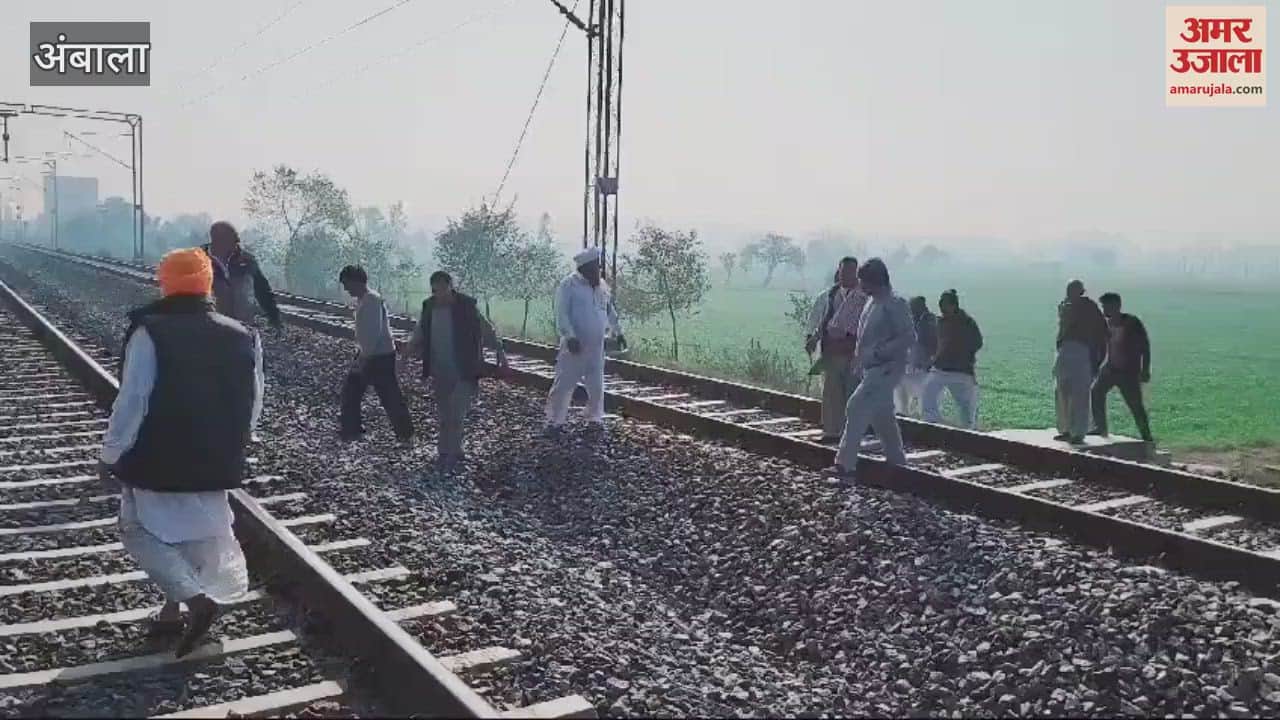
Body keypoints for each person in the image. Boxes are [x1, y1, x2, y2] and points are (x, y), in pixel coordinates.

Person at [98, 248, 262, 658]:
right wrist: (235, 444)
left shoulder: (150, 331)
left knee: (137, 528)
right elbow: (255, 401)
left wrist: (110, 454)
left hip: (160, 457)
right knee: (200, 534)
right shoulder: (244, 335)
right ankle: (172, 612)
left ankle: (194, 600)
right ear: (207, 283)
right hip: (216, 458)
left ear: (165, 283)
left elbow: (133, 400)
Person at [405, 271, 509, 472]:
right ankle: (447, 450)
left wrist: (500, 352)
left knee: (457, 412)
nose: (439, 294)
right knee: (444, 413)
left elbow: (486, 329)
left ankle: (451, 452)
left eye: (442, 289)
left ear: (450, 286)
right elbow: (419, 331)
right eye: (435, 290)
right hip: (439, 369)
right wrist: (408, 351)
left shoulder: (467, 307)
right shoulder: (429, 307)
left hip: (464, 369)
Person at [831, 258, 914, 481]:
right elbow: (864, 337)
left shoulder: (895, 304)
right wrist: (860, 361)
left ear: (875, 281)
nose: (861, 286)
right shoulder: (871, 303)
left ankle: (845, 465)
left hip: (887, 367)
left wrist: (879, 352)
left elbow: (908, 337)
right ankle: (898, 462)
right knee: (882, 415)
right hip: (871, 368)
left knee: (856, 406)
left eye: (864, 281)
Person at [545, 248, 626, 434]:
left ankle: (595, 418)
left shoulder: (601, 286)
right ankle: (555, 420)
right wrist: (570, 336)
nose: (599, 270)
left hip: (596, 347)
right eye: (596, 267)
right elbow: (562, 314)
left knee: (596, 384)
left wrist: (618, 332)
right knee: (564, 383)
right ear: (585, 268)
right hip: (575, 346)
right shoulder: (568, 285)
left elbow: (609, 311)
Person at [338, 265, 413, 444]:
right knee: (353, 390)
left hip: (378, 356)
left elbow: (373, 333)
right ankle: (352, 428)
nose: (346, 289)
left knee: (388, 395)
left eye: (347, 284)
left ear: (356, 282)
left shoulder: (371, 300)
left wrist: (364, 358)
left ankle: (405, 433)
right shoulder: (365, 300)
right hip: (370, 354)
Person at [804, 257, 866, 442]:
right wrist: (814, 338)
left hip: (855, 353)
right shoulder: (830, 295)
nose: (846, 275)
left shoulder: (864, 296)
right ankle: (831, 432)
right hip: (832, 351)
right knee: (831, 393)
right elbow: (822, 320)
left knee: (852, 394)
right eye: (843, 271)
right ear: (838, 272)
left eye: (851, 271)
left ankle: (850, 433)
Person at [1090, 292, 1154, 442]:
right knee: (1096, 391)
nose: (1104, 309)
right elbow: (1104, 347)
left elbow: (1145, 347)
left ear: (1116, 306)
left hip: (1128, 372)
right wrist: (1098, 364)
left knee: (1135, 405)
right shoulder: (1107, 324)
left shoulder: (1132, 323)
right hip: (1111, 368)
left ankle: (1147, 437)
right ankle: (1101, 428)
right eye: (1102, 306)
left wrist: (1145, 369)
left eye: (1106, 306)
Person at [1053, 279, 1108, 444]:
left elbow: (1102, 332)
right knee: (1061, 391)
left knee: (1079, 394)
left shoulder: (1089, 308)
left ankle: (1078, 432)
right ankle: (1065, 429)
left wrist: (1097, 358)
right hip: (1064, 351)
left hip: (1083, 351)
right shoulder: (1065, 306)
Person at [921, 289, 984, 429]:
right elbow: (939, 344)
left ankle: (969, 433)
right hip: (941, 370)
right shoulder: (942, 322)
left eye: (945, 305)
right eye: (941, 306)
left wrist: (962, 354)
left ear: (953, 305)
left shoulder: (967, 323)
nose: (942, 309)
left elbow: (978, 343)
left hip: (962, 371)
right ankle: (932, 425)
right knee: (927, 393)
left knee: (966, 406)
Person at [203, 221, 282, 329]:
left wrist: (274, 317)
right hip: (211, 329)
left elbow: (262, 290)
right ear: (218, 241)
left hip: (244, 327)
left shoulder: (247, 261)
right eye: (233, 240)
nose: (238, 243)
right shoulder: (199, 260)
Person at [895, 296, 937, 418]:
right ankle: (905, 416)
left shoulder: (927, 322)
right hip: (912, 367)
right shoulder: (916, 320)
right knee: (902, 394)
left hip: (922, 369)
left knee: (922, 404)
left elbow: (926, 344)